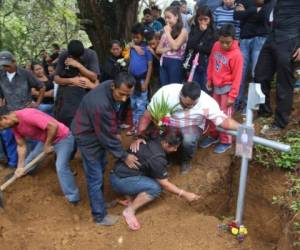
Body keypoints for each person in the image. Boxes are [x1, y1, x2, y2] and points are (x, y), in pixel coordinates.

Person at [71, 72, 140, 226]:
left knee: (101, 166)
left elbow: (110, 122)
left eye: (127, 95)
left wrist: (114, 131)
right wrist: (124, 156)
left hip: (94, 127)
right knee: (94, 175)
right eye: (121, 94)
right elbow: (106, 137)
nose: (124, 99)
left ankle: (100, 203)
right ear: (113, 87)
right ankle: (99, 216)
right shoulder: (100, 105)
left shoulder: (111, 83)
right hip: (86, 135)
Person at [131, 81, 240, 175]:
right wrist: (139, 136)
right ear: (180, 94)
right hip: (169, 122)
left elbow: (223, 121)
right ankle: (168, 158)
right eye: (185, 104)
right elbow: (147, 116)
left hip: (192, 125)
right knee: (161, 134)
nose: (188, 107)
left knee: (188, 138)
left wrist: (241, 127)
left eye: (192, 105)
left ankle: (185, 160)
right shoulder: (166, 93)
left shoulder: (207, 102)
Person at [110, 128, 200, 231]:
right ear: (166, 143)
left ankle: (130, 196)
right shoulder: (157, 159)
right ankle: (129, 211)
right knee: (155, 188)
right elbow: (164, 184)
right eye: (174, 147)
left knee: (150, 173)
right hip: (120, 181)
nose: (175, 150)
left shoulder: (154, 138)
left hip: (119, 172)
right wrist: (184, 194)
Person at [0, 107, 80, 204]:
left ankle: (73, 197)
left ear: (5, 118)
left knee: (61, 167)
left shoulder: (27, 115)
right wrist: (20, 167)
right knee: (30, 160)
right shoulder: (14, 126)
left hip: (63, 138)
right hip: (47, 140)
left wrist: (47, 145)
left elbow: (53, 126)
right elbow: (21, 146)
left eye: (2, 126)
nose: (2, 129)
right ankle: (23, 174)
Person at [254, 0, 300, 132]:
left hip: (291, 38)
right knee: (260, 74)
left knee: (284, 82)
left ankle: (280, 122)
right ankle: (264, 112)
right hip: (273, 36)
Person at [200, 24, 243, 153]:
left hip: (227, 89)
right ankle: (214, 135)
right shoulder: (216, 46)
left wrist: (232, 95)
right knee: (213, 112)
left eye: (227, 43)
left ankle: (226, 141)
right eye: (222, 42)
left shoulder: (237, 55)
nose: (224, 45)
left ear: (233, 39)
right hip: (216, 87)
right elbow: (212, 62)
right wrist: (209, 79)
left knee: (224, 116)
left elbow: (237, 77)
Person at [0, 51, 45, 169]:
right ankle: (13, 164)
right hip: (9, 114)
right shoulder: (1, 76)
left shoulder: (25, 74)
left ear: (14, 61)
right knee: (10, 139)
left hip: (26, 113)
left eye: (7, 65)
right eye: (3, 65)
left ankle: (32, 165)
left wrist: (37, 103)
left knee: (30, 139)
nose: (5, 68)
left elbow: (41, 87)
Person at [234, 0, 275, 112]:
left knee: (256, 73)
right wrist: (254, 10)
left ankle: (252, 105)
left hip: (261, 38)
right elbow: (236, 15)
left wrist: (246, 13)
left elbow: (264, 16)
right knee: (240, 72)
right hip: (245, 38)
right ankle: (238, 102)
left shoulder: (268, 1)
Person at [54, 40, 100, 128]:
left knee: (85, 121)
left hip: (85, 94)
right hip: (66, 97)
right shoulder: (64, 55)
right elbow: (56, 79)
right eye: (74, 57)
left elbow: (94, 77)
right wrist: (71, 80)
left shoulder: (91, 54)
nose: (76, 59)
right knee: (66, 122)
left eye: (78, 57)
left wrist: (78, 65)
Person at [127, 23, 153, 136]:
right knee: (133, 104)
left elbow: (150, 66)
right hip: (132, 81)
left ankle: (139, 128)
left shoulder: (146, 49)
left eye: (137, 37)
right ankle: (135, 125)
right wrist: (133, 46)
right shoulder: (132, 47)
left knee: (141, 105)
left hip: (142, 80)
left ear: (143, 36)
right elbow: (127, 46)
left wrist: (146, 82)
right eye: (133, 37)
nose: (135, 39)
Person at [184, 6, 218, 92]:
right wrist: (200, 33)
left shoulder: (214, 32)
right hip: (194, 65)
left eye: (205, 19)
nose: (203, 22)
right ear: (197, 19)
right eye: (200, 19)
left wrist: (198, 46)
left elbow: (210, 49)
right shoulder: (194, 30)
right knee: (194, 90)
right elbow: (189, 46)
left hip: (207, 65)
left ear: (210, 19)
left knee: (205, 90)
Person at [157, 6, 188, 85]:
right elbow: (158, 50)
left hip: (175, 62)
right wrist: (168, 49)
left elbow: (175, 46)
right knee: (164, 88)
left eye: (169, 17)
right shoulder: (165, 32)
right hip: (163, 61)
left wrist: (167, 32)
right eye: (165, 18)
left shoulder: (183, 31)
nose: (166, 20)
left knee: (173, 88)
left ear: (176, 17)